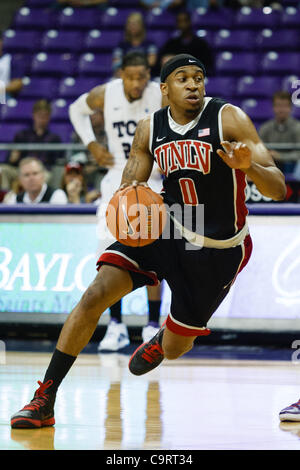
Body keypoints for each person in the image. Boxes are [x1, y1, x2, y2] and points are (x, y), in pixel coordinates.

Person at [10, 53, 286, 429]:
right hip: (170, 224)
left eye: (198, 78)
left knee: (176, 348)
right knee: (95, 295)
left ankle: (163, 336)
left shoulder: (228, 118)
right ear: (164, 90)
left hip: (220, 247)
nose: (193, 84)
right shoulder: (149, 127)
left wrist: (248, 167)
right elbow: (133, 182)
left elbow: (279, 186)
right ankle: (45, 397)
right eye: (183, 78)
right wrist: (128, 198)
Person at [68, 51, 166, 351]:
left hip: (152, 177)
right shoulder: (105, 93)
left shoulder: (159, 94)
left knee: (156, 254)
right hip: (116, 178)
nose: (138, 83)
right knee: (109, 253)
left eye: (143, 76)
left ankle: (151, 325)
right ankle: (116, 325)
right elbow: (75, 109)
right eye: (133, 76)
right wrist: (92, 144)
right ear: (121, 73)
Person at [0, 99, 63, 191]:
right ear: (33, 115)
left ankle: (39, 200)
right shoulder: (21, 135)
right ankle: (5, 197)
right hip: (21, 170)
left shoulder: (54, 138)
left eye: (45, 116)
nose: (42, 119)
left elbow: (57, 161)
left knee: (44, 176)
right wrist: (12, 158)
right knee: (3, 170)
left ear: (49, 117)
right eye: (39, 115)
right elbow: (10, 160)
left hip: (43, 171)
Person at [155, 10, 214, 77]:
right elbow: (161, 64)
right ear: (176, 24)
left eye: (185, 21)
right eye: (179, 21)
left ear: (190, 22)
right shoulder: (171, 44)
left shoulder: (201, 44)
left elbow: (208, 66)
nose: (183, 24)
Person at [259, 91, 300, 178]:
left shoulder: (298, 127)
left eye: (285, 106)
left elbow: (299, 154)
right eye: (278, 106)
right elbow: (259, 151)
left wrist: (280, 156)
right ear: (273, 108)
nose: (281, 110)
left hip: (293, 166)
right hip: (271, 165)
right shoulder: (265, 128)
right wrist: (269, 155)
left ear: (290, 108)